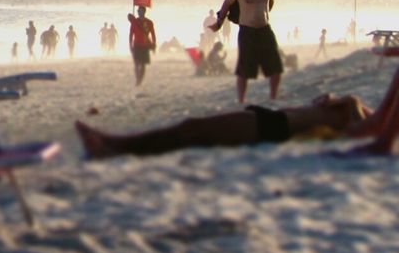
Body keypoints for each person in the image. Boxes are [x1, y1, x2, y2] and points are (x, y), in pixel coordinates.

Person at [75, 92, 388, 160]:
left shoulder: (363, 118)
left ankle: (114, 146)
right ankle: (115, 144)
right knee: (192, 129)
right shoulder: (367, 111)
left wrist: (349, 102)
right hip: (273, 121)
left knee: (192, 130)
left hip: (275, 128)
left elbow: (365, 128)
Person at [211, 0, 282, 104]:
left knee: (275, 66)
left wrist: (263, 15)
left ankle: (273, 98)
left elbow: (271, 3)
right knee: (244, 69)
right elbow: (226, 4)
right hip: (247, 32)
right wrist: (219, 22)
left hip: (265, 30)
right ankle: (241, 100)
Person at [128, 6, 156, 88]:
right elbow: (131, 34)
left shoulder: (149, 22)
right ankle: (137, 79)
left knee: (143, 65)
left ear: (144, 12)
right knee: (136, 64)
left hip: (145, 45)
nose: (138, 12)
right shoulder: (134, 22)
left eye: (140, 11)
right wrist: (130, 45)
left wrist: (154, 44)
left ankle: (140, 80)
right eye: (138, 11)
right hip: (136, 45)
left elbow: (153, 34)